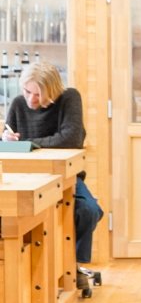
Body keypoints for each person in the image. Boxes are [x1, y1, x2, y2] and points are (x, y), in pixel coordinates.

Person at [3, 62, 104, 273]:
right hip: (26, 177)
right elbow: (9, 145)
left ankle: (72, 266)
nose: (31, 99)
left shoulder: (69, 98)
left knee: (88, 211)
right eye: (27, 91)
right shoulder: (18, 104)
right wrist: (7, 139)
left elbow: (70, 139)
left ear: (52, 90)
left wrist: (27, 143)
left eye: (38, 94)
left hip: (64, 175)